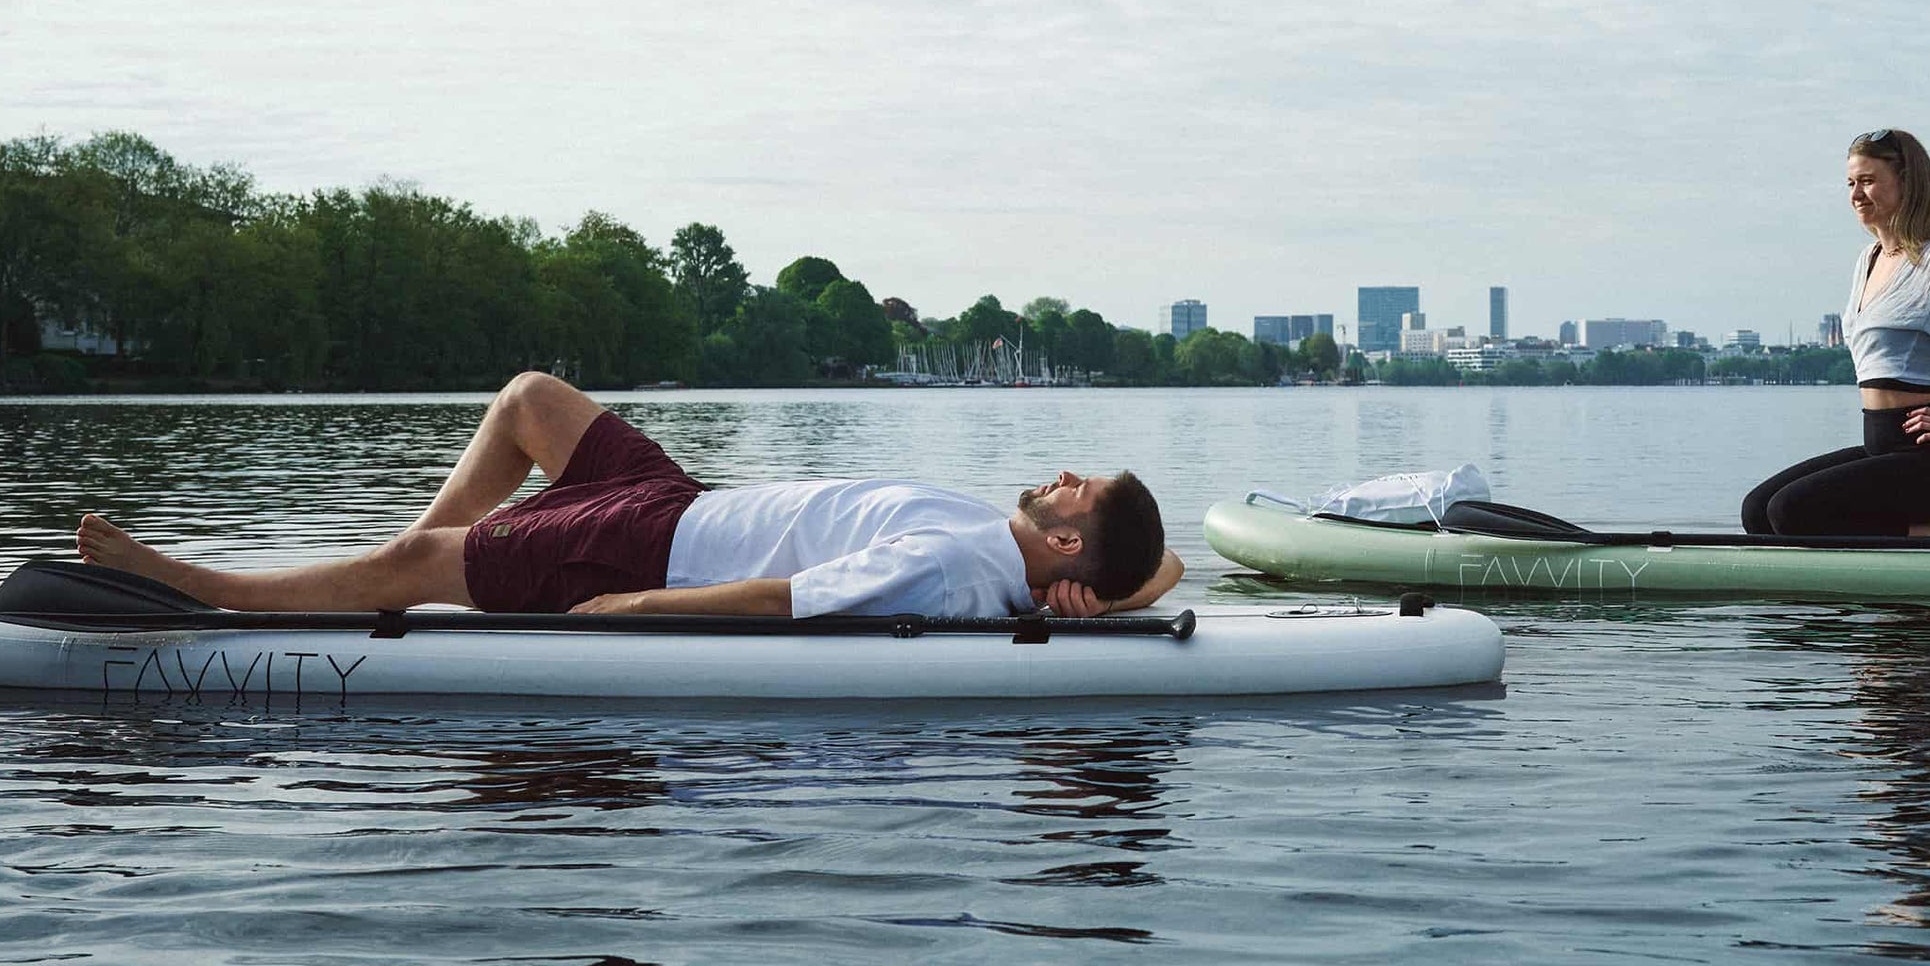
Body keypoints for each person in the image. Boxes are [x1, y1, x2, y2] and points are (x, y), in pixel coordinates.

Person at [70, 371, 1178, 620]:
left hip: (652, 556)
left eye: (1081, 482)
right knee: (531, 399)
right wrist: (1107, 601)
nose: (1061, 469)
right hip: (676, 497)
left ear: (1070, 530)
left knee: (422, 571)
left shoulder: (961, 562)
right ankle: (396, 564)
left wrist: (640, 612)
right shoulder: (1019, 556)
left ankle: (198, 590)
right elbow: (1159, 565)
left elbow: (790, 600)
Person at [1741, 128, 1930, 539]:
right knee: (1758, 512)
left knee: (1791, 511)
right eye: (1850, 183)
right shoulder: (1869, 259)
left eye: (1868, 180)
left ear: (1906, 182)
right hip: (1884, 450)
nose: (1856, 194)